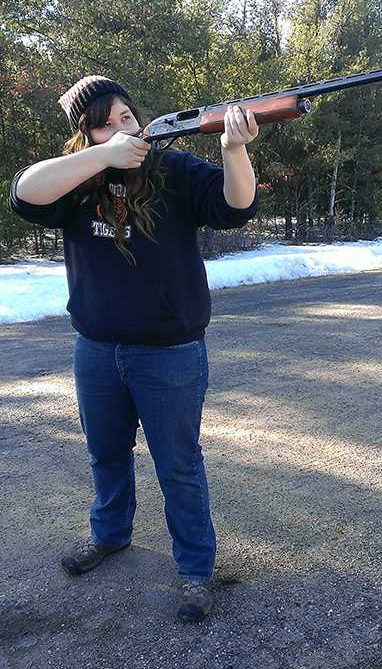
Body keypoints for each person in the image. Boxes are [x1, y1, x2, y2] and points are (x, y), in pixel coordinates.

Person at [9, 75, 260, 622]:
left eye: (127, 115)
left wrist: (234, 149)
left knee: (178, 466)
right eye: (107, 122)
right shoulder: (77, 179)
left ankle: (195, 570)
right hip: (96, 350)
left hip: (170, 352)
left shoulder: (172, 170)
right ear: (87, 134)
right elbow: (25, 191)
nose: (125, 126)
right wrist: (104, 158)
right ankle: (111, 536)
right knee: (106, 456)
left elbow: (236, 207)